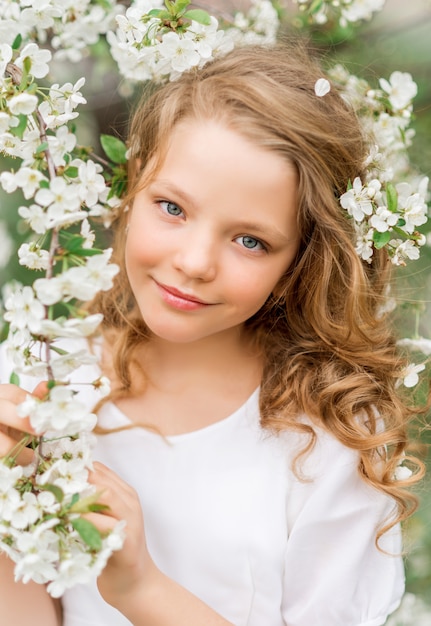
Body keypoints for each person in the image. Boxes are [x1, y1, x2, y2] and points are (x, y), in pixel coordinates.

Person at [0, 43, 425, 626]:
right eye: (172, 207)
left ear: (298, 263)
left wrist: (142, 588)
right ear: (132, 188)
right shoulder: (51, 362)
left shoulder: (330, 441)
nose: (195, 262)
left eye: (251, 240)